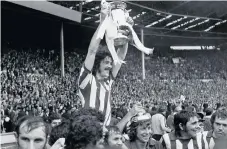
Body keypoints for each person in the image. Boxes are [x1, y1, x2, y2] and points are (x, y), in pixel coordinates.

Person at [77, 1, 132, 126]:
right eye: (106, 62)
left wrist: (126, 32)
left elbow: (121, 56)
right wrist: (102, 23)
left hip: (104, 134)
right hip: (88, 134)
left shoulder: (108, 81)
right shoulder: (86, 80)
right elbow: (92, 51)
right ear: (97, 64)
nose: (110, 65)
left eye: (110, 63)